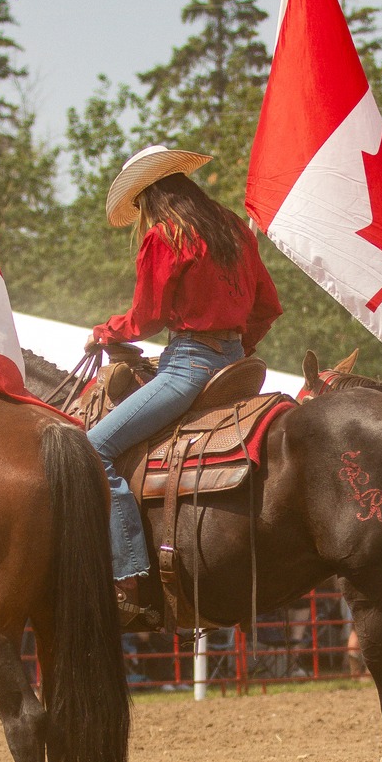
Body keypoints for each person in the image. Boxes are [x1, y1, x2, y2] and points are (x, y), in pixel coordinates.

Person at [91, 145, 282, 628]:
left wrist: (106, 332)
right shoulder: (234, 230)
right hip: (236, 365)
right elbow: (266, 307)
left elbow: (147, 317)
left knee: (94, 448)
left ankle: (128, 574)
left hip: (189, 367)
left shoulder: (164, 237)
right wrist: (240, 345)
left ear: (150, 198)